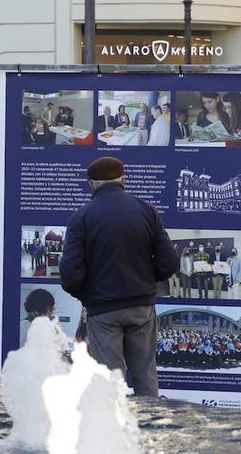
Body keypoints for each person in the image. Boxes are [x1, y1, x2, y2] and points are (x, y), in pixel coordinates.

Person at [59, 157, 177, 397]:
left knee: (111, 383)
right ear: (124, 180)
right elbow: (169, 263)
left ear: (91, 185)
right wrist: (146, 281)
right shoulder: (147, 211)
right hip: (141, 308)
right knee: (145, 378)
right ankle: (150, 421)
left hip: (103, 311)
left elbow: (70, 273)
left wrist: (87, 295)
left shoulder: (81, 217)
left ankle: (115, 421)